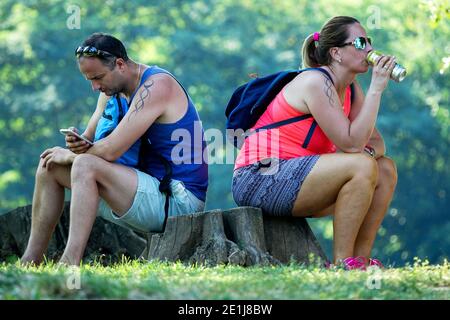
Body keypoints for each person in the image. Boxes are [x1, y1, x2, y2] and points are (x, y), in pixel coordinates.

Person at [21, 33, 208, 266]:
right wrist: (75, 143)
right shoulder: (110, 91)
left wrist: (73, 156)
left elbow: (108, 151)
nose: (95, 86)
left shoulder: (158, 85)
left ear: (120, 64)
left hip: (179, 201)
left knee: (84, 164)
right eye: (89, 80)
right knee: (50, 164)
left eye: (98, 77)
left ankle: (69, 263)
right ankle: (29, 261)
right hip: (137, 187)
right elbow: (90, 141)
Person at [232, 16, 398, 270]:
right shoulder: (315, 82)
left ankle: (361, 261)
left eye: (370, 41)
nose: (370, 49)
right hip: (259, 176)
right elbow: (352, 145)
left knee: (385, 169)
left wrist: (365, 153)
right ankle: (343, 264)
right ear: (336, 53)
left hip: (302, 179)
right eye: (361, 42)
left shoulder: (351, 90)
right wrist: (376, 89)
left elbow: (376, 144)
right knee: (362, 165)